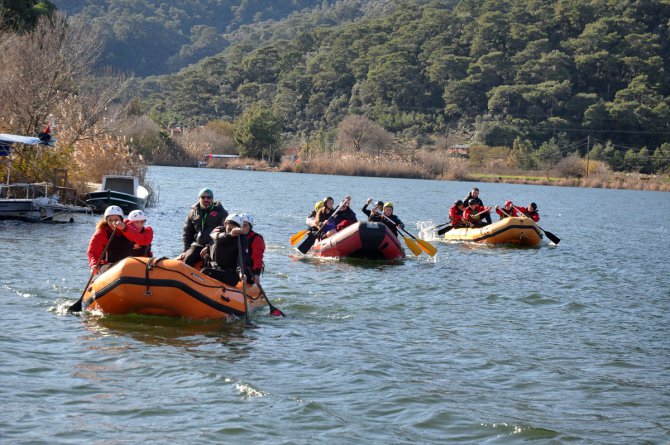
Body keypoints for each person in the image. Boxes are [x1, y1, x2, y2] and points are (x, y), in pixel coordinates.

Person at [87, 205, 145, 274]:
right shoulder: (102, 232)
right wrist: (94, 265)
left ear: (121, 219)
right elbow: (93, 252)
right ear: (106, 220)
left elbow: (137, 237)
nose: (113, 223)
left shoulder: (128, 228)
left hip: (128, 265)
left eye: (116, 220)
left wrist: (124, 228)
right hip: (108, 265)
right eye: (110, 220)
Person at [179, 188, 228, 266]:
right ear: (199, 198)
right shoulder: (193, 212)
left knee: (212, 264)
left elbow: (224, 233)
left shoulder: (221, 212)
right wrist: (186, 250)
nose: (206, 199)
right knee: (187, 260)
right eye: (203, 197)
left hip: (214, 245)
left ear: (212, 199)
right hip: (197, 244)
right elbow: (187, 232)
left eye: (209, 197)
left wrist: (208, 247)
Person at [200, 213, 247, 286]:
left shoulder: (241, 240)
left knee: (205, 271)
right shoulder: (218, 231)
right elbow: (217, 240)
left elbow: (241, 258)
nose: (231, 231)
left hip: (229, 274)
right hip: (215, 267)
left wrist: (241, 272)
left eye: (233, 229)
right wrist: (207, 248)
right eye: (229, 228)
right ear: (225, 225)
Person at [240, 213, 265, 285]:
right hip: (235, 267)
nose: (242, 227)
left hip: (248, 270)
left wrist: (256, 274)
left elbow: (257, 257)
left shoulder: (256, 239)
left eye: (245, 225)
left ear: (250, 227)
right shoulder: (235, 235)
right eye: (240, 224)